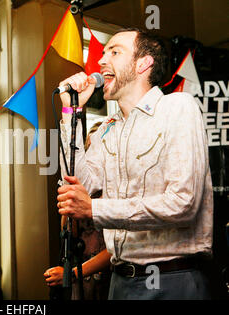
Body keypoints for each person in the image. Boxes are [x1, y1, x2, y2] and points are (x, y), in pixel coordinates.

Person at [55, 28, 213, 300]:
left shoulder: (177, 108)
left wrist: (95, 208)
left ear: (144, 63)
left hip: (173, 278)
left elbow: (183, 204)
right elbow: (80, 182)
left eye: (114, 52)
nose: (102, 61)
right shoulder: (108, 128)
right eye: (103, 53)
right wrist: (71, 112)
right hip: (119, 280)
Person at [44, 122, 112, 300]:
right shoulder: (85, 187)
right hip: (83, 276)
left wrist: (72, 273)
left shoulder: (114, 189)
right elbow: (70, 234)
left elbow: (115, 249)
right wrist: (69, 202)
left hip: (106, 275)